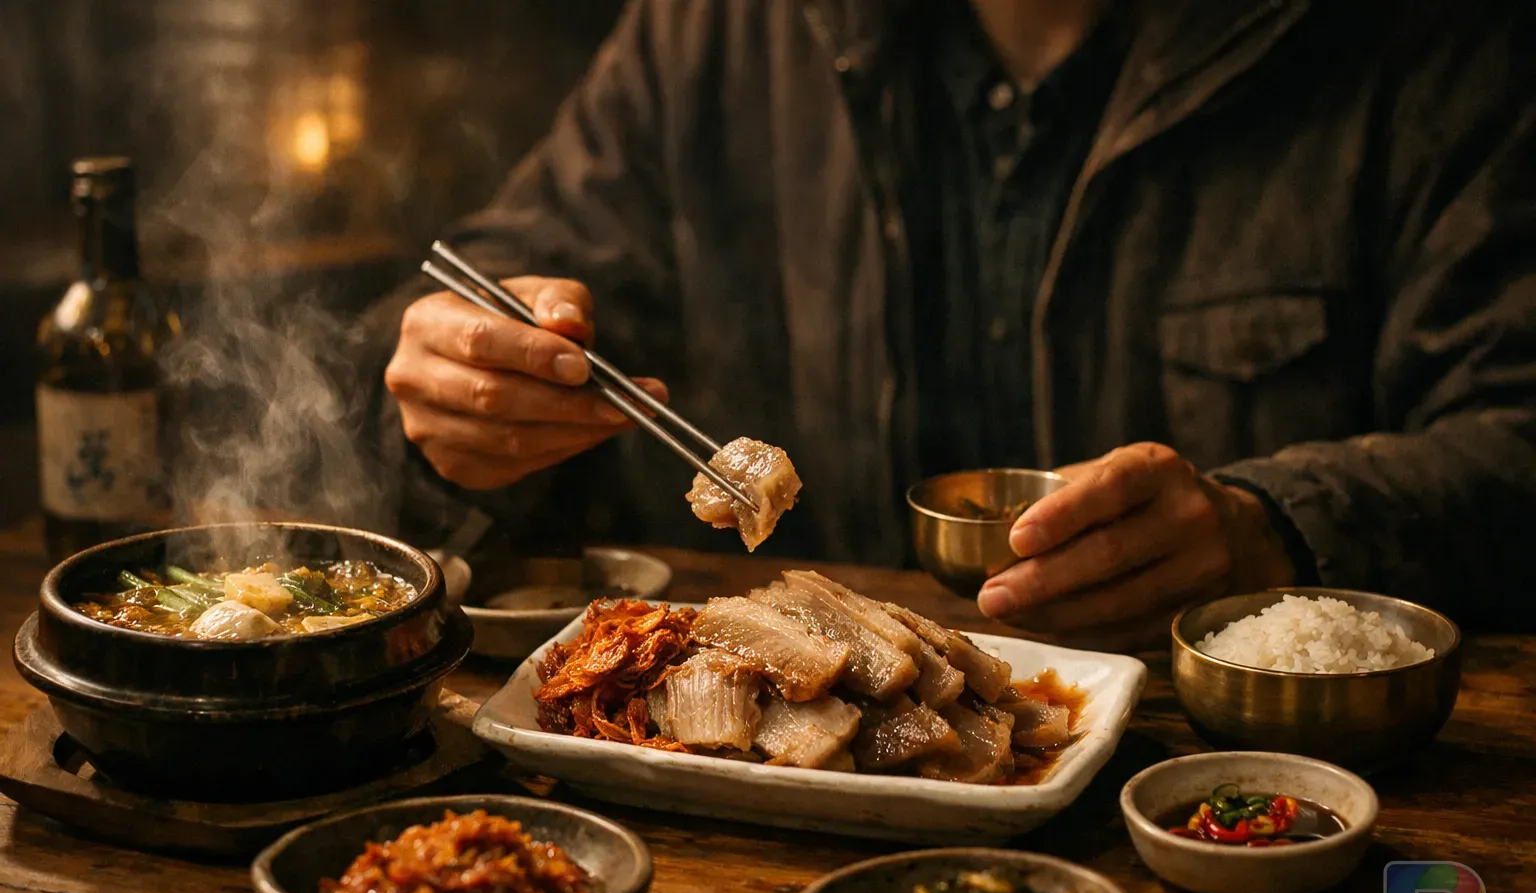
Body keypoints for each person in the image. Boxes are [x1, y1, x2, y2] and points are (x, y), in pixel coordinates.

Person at [372, 0, 1536, 651]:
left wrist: (1274, 529)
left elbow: (1512, 430)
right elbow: (467, 316)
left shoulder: (1422, 45)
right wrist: (452, 397)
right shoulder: (716, 33)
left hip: (1224, 792)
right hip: (779, 812)